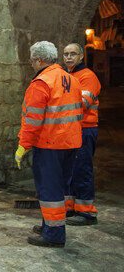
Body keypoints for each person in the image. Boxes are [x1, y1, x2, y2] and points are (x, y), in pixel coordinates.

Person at [15, 41, 83, 248]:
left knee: (49, 190)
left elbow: (33, 120)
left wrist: (23, 146)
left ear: (38, 60)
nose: (32, 64)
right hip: (70, 143)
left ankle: (53, 234)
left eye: (32, 60)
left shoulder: (41, 83)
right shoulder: (72, 80)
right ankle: (49, 225)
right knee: (59, 189)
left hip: (49, 145)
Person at [63, 43, 100, 225]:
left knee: (82, 169)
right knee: (70, 169)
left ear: (81, 57)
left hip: (85, 128)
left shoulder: (88, 76)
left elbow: (82, 104)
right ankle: (70, 207)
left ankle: (87, 212)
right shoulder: (69, 76)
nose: (69, 57)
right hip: (71, 129)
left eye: (73, 54)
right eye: (66, 54)